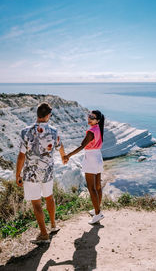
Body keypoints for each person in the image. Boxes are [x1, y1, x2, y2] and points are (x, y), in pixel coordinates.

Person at [16, 102, 66, 244]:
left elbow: (21, 156)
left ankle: (44, 234)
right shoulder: (54, 131)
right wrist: (63, 156)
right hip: (47, 173)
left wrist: (17, 175)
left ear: (37, 114)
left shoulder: (25, 131)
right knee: (49, 198)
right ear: (48, 115)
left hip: (31, 174)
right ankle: (53, 225)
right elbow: (60, 145)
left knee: (36, 204)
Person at [64, 110, 105, 224]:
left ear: (97, 120)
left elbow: (82, 146)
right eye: (89, 116)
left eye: (92, 117)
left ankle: (97, 214)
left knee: (91, 188)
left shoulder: (91, 131)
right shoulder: (98, 129)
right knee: (97, 186)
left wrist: (68, 155)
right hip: (98, 156)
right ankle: (97, 209)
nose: (89, 118)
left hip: (91, 158)